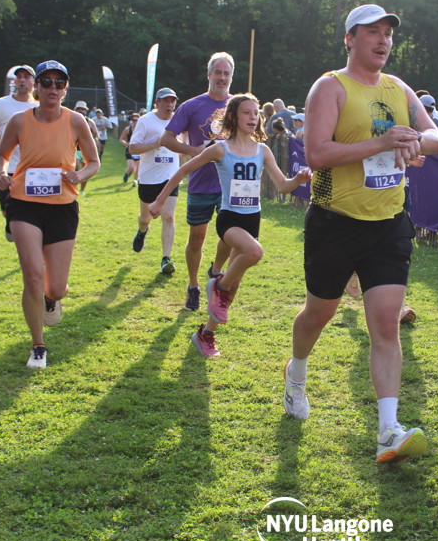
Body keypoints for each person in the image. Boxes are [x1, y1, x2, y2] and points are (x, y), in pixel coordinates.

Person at [283, 3, 438, 464]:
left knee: (386, 325)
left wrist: (413, 140)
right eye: (372, 32)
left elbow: (437, 138)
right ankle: (296, 372)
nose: (383, 40)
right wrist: (383, 142)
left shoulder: (399, 88)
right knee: (319, 313)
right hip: (334, 221)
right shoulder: (330, 87)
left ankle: (388, 429)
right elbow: (317, 154)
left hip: (388, 223)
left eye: (388, 33)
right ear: (350, 39)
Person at [150, 93, 311, 357]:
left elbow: (283, 185)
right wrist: (159, 201)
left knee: (232, 290)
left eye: (256, 113)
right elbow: (183, 171)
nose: (253, 117)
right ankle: (218, 285)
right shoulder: (220, 149)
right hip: (229, 220)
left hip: (252, 221)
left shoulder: (263, 150)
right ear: (233, 117)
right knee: (254, 252)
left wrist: (298, 180)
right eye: (246, 112)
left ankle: (205, 334)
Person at [0, 60, 100, 369]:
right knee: (32, 276)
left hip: (62, 207)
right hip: (24, 203)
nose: (53, 88)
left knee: (55, 287)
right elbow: (1, 154)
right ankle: (38, 345)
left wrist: (80, 175)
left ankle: (51, 300)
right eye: (46, 82)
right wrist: (1, 173)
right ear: (36, 88)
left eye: (59, 83)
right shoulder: (19, 121)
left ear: (65, 89)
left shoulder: (76, 121)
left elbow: (93, 162)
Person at [159, 53, 235, 311]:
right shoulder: (191, 106)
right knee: (197, 238)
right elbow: (166, 138)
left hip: (230, 185)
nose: (222, 78)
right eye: (218, 72)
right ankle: (193, 286)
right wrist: (193, 151)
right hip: (201, 184)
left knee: (231, 234)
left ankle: (216, 270)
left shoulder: (237, 105)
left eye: (226, 73)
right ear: (209, 74)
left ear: (231, 76)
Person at [0, 65, 38, 241]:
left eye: (26, 77)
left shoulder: (39, 106)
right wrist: (5, 145)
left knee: (31, 210)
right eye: (19, 77)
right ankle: (13, 227)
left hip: (31, 169)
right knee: (8, 209)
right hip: (6, 167)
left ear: (34, 82)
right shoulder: (1, 104)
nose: (22, 80)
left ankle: (27, 239)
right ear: (14, 81)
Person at [129, 87, 181, 275]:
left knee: (169, 217)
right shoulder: (145, 121)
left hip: (171, 177)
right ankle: (142, 230)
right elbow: (133, 148)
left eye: (172, 101)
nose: (170, 104)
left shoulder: (179, 121)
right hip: (149, 178)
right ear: (157, 103)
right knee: (145, 218)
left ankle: (166, 259)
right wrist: (157, 143)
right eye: (166, 100)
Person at [72, 101, 101, 193]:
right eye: (78, 109)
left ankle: (81, 190)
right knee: (75, 166)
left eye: (83, 109)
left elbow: (96, 134)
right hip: (74, 149)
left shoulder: (90, 122)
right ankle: (72, 188)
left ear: (86, 111)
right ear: (75, 110)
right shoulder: (70, 121)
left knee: (85, 172)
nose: (80, 111)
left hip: (86, 150)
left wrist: (96, 140)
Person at [120, 112, 141, 184]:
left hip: (138, 150)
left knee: (137, 168)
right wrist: (126, 144)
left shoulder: (141, 129)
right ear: (131, 121)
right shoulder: (127, 129)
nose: (135, 122)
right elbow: (121, 139)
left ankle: (135, 182)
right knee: (131, 167)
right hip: (130, 149)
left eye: (137, 120)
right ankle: (126, 174)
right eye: (134, 120)